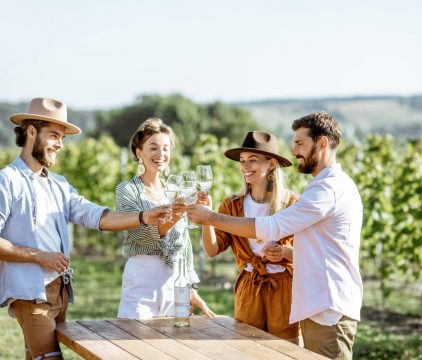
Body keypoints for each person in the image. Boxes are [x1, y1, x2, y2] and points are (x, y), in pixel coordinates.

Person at [0, 98, 171, 360]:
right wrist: (39, 256)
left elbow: (96, 216)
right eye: (54, 135)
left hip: (60, 290)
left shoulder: (58, 185)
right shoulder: (7, 181)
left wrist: (143, 216)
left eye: (63, 138)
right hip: (29, 293)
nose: (60, 143)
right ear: (31, 131)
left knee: (33, 355)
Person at [187, 112, 363, 360]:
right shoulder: (323, 186)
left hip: (326, 305)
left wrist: (210, 218)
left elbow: (272, 227)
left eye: (300, 143)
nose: (294, 150)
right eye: (242, 160)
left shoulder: (325, 189)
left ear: (322, 143)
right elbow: (316, 247)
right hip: (315, 303)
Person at [196, 131, 300, 343]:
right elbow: (212, 250)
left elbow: (308, 254)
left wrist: (285, 252)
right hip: (249, 288)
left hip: (283, 290)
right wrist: (207, 218)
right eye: (242, 161)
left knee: (287, 352)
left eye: (252, 160)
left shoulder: (292, 204)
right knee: (247, 350)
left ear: (271, 164)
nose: (245, 166)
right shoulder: (232, 205)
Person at [115, 118, 215, 320]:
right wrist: (175, 217)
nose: (161, 155)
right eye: (153, 148)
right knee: (134, 343)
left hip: (175, 283)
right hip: (142, 279)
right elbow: (139, 235)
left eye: (166, 148)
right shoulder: (126, 190)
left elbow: (184, 245)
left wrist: (191, 288)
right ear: (138, 153)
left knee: (174, 346)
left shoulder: (176, 191)